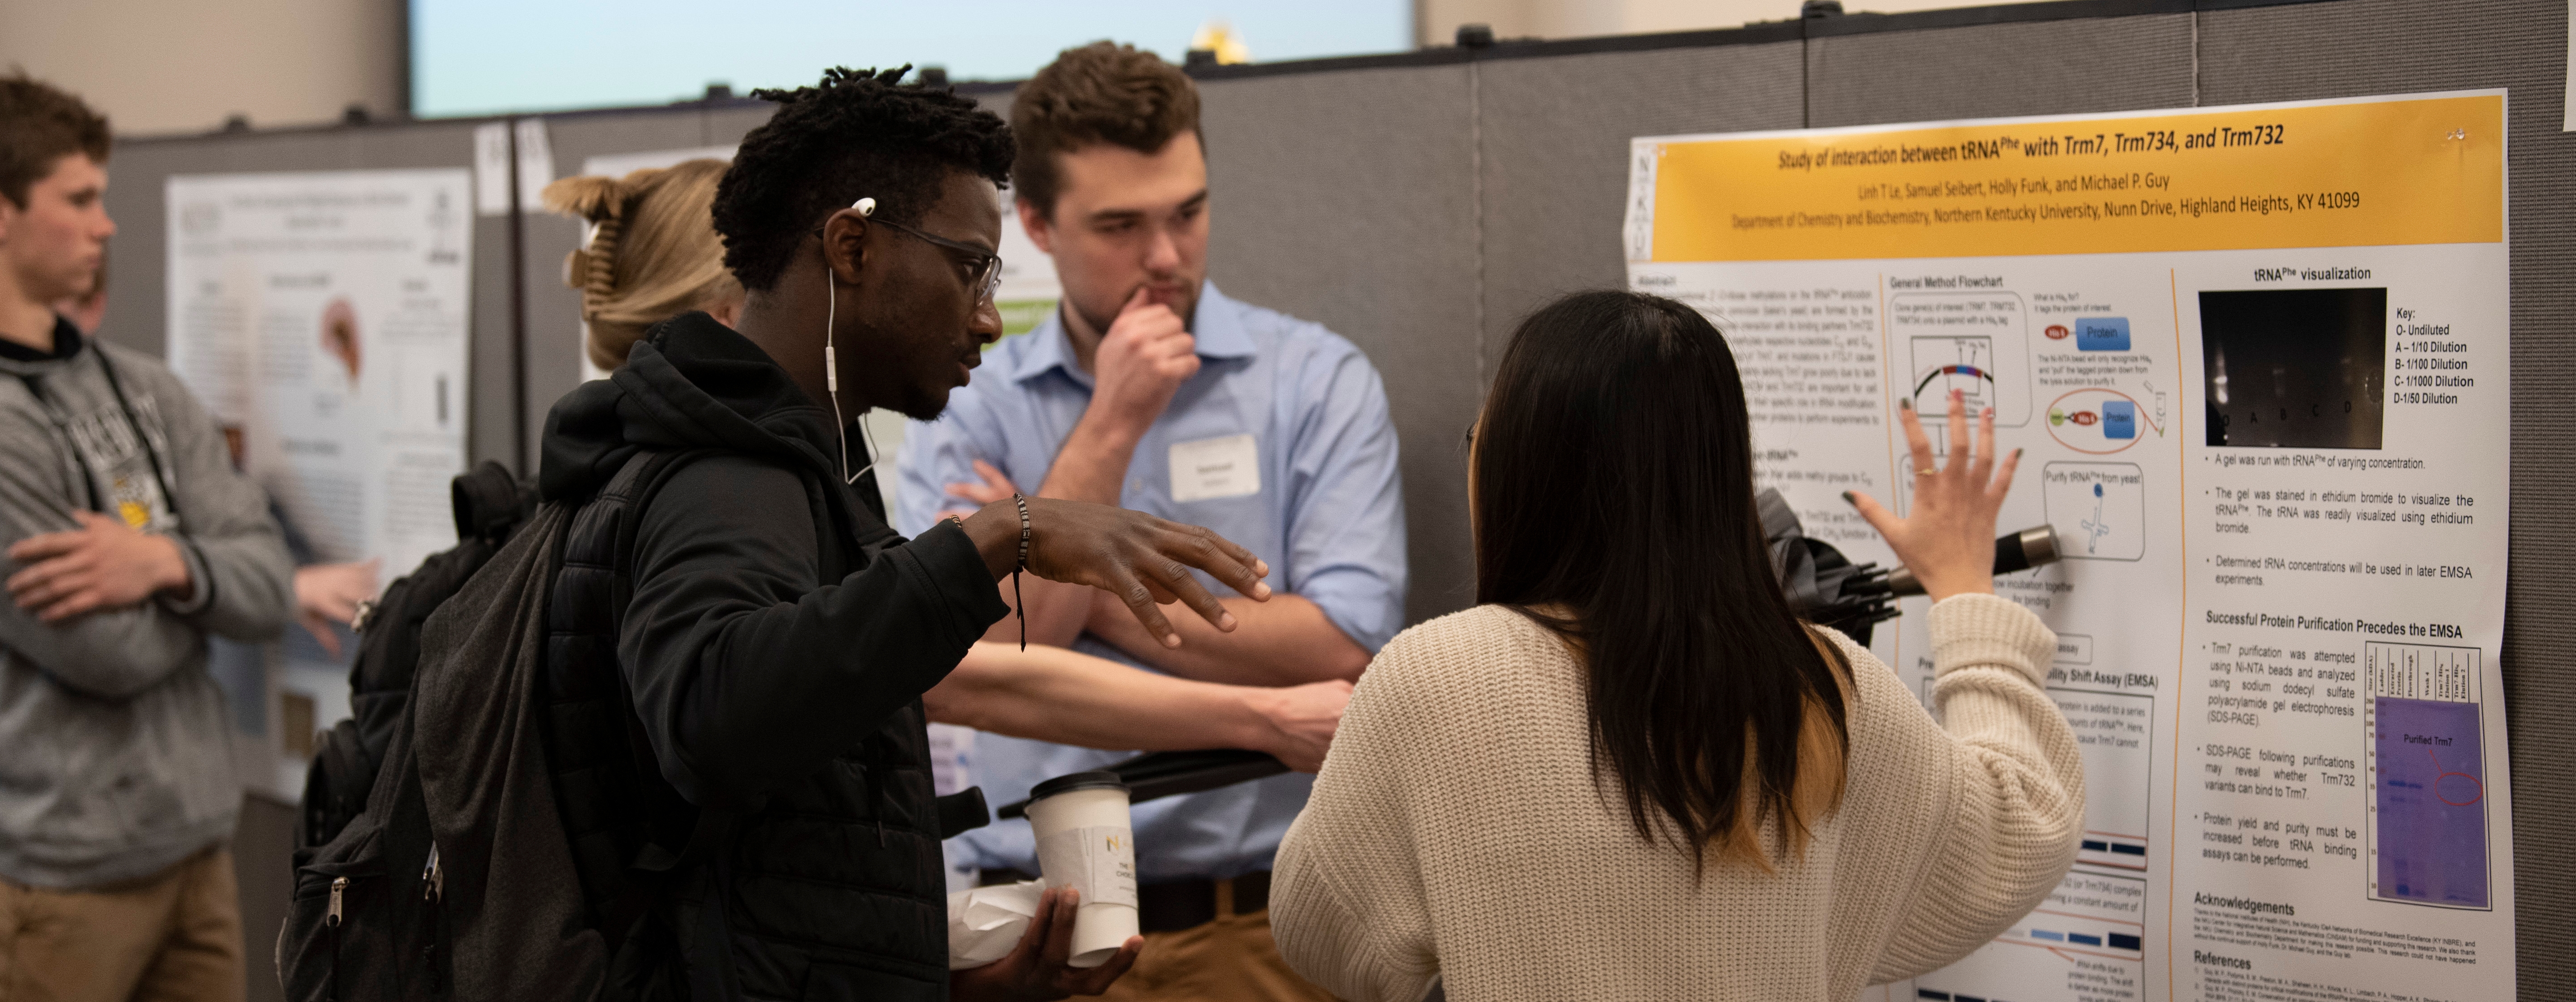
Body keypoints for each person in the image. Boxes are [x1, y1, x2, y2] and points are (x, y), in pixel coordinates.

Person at [535, 68, 1284, 1001]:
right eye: (970, 267)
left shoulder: (786, 462)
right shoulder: (728, 474)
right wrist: (995, 539)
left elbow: (764, 872)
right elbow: (713, 717)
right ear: (851, 246)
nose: (982, 316)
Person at [1270, 291, 2085, 1000]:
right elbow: (2020, 828)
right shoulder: (1825, 682)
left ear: (1521, 470)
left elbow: (1331, 942)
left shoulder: (1437, 675)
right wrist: (1965, 596)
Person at [544, 159, 1351, 771]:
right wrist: (1013, 545)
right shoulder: (716, 483)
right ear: (730, 313)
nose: (984, 318)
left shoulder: (674, 469)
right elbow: (945, 678)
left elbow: (921, 665)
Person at [896, 42, 1405, 1001]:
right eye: (1121, 225)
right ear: (1038, 227)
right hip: (1039, 930)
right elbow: (975, 657)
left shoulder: (1314, 381)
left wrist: (1085, 590)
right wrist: (1113, 420)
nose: (1166, 257)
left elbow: (1341, 647)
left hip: (1263, 922)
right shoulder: (966, 398)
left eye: (1188, 213)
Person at [0, 75, 295, 1001]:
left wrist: (162, 562)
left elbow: (267, 584)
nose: (108, 226)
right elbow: (109, 653)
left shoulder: (144, 388)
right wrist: (206, 584)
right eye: (81, 199)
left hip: (193, 854)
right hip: (47, 888)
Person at [53, 266, 379, 658]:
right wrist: (222, 594)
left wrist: (167, 568)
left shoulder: (153, 397)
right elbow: (105, 646)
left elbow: (259, 561)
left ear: (95, 306)